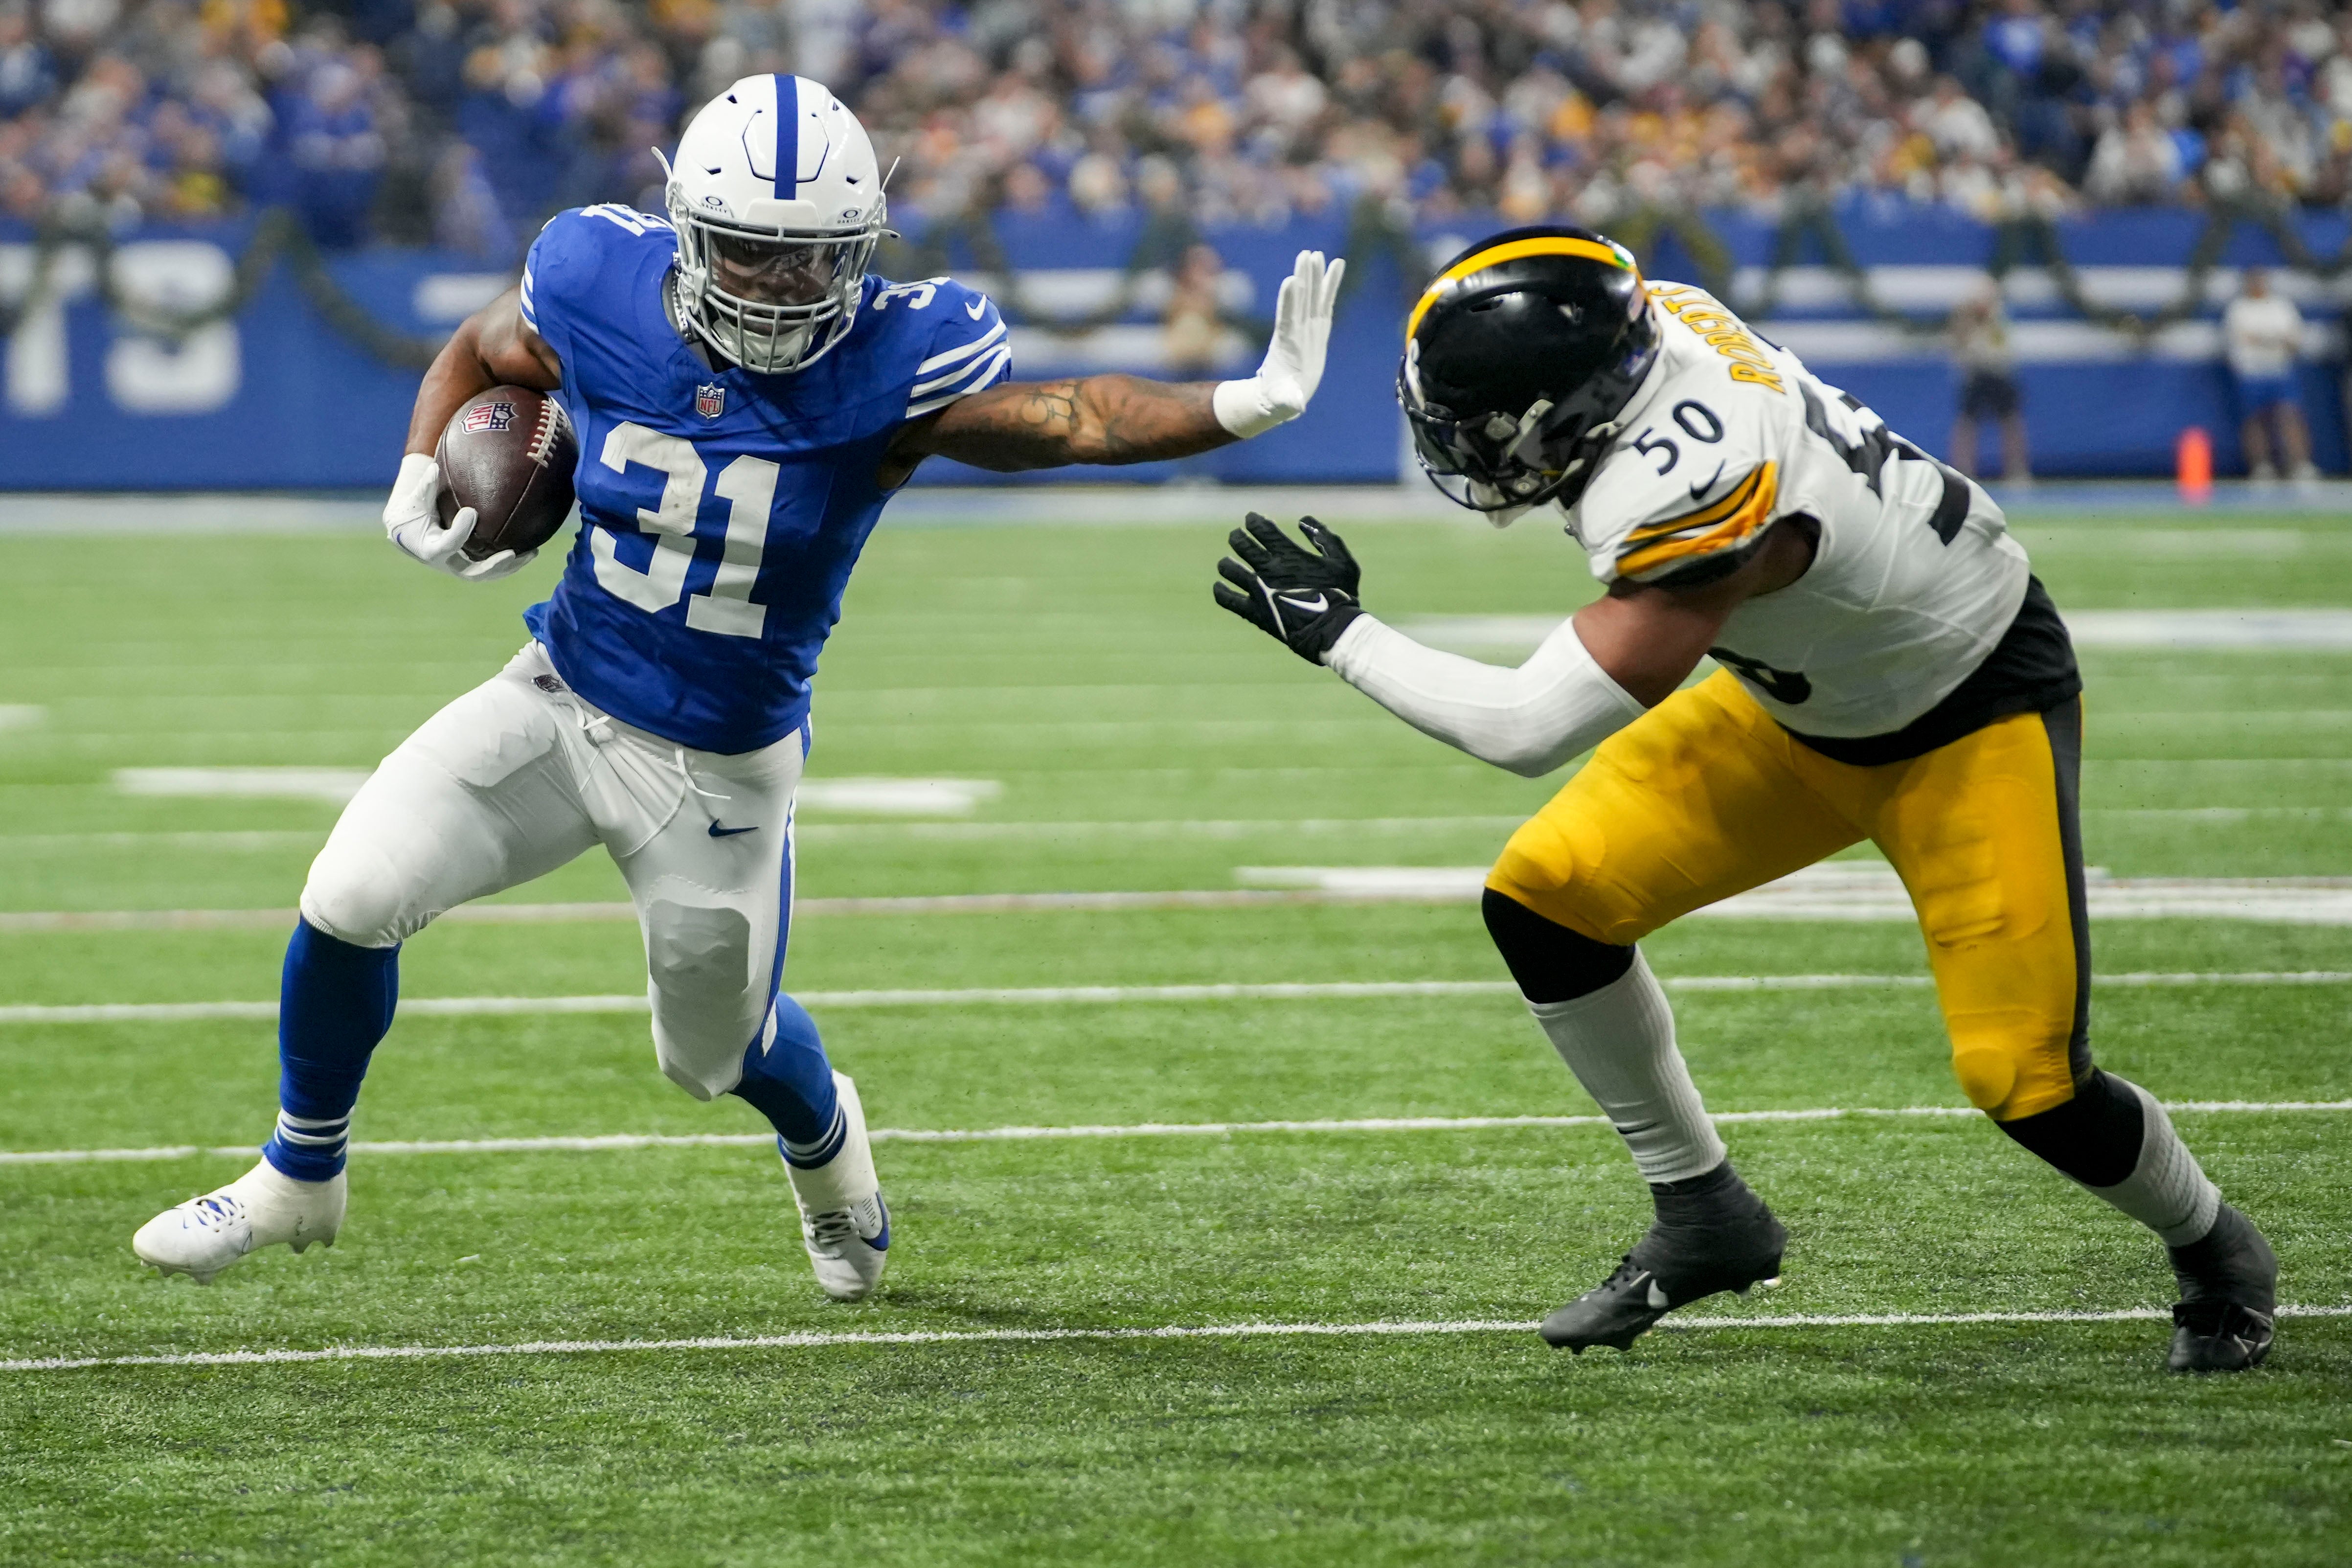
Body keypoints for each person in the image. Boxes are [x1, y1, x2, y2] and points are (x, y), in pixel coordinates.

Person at [134, 74, 1345, 1301]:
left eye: (809, 260)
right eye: (748, 254)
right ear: (684, 229)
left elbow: (1075, 414)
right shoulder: (597, 277)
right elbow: (483, 347)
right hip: (559, 691)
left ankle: (830, 1155)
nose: (775, 286)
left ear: (860, 251)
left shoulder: (896, 359)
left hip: (716, 768)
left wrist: (1238, 403)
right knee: (348, 894)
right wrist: (414, 466)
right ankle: (300, 1170)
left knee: (713, 1053)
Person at [1212, 225, 2276, 1374]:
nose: (1466, 453)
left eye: (1479, 430)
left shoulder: (1689, 481)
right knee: (1547, 896)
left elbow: (1522, 727)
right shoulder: (1647, 320)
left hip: (1962, 710)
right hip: (1800, 699)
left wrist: (1341, 636)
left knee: (2022, 1079)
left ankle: (2214, 1247)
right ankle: (1703, 1211)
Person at [2222, 266, 2315, 482]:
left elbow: (2293, 340)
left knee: (2290, 416)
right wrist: (2273, 339)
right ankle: (2261, 467)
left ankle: (2300, 465)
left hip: (2280, 370)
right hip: (2252, 372)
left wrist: (2263, 339)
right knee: (2254, 420)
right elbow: (2240, 340)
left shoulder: (2281, 307)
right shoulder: (2239, 309)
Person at [1947, 277, 2029, 484]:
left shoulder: (1998, 320)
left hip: (1998, 374)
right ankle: (1963, 470)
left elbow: (2003, 349)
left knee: (2010, 422)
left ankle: (2016, 471)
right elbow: (1959, 347)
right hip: (1976, 374)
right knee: (1968, 423)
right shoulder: (1965, 321)